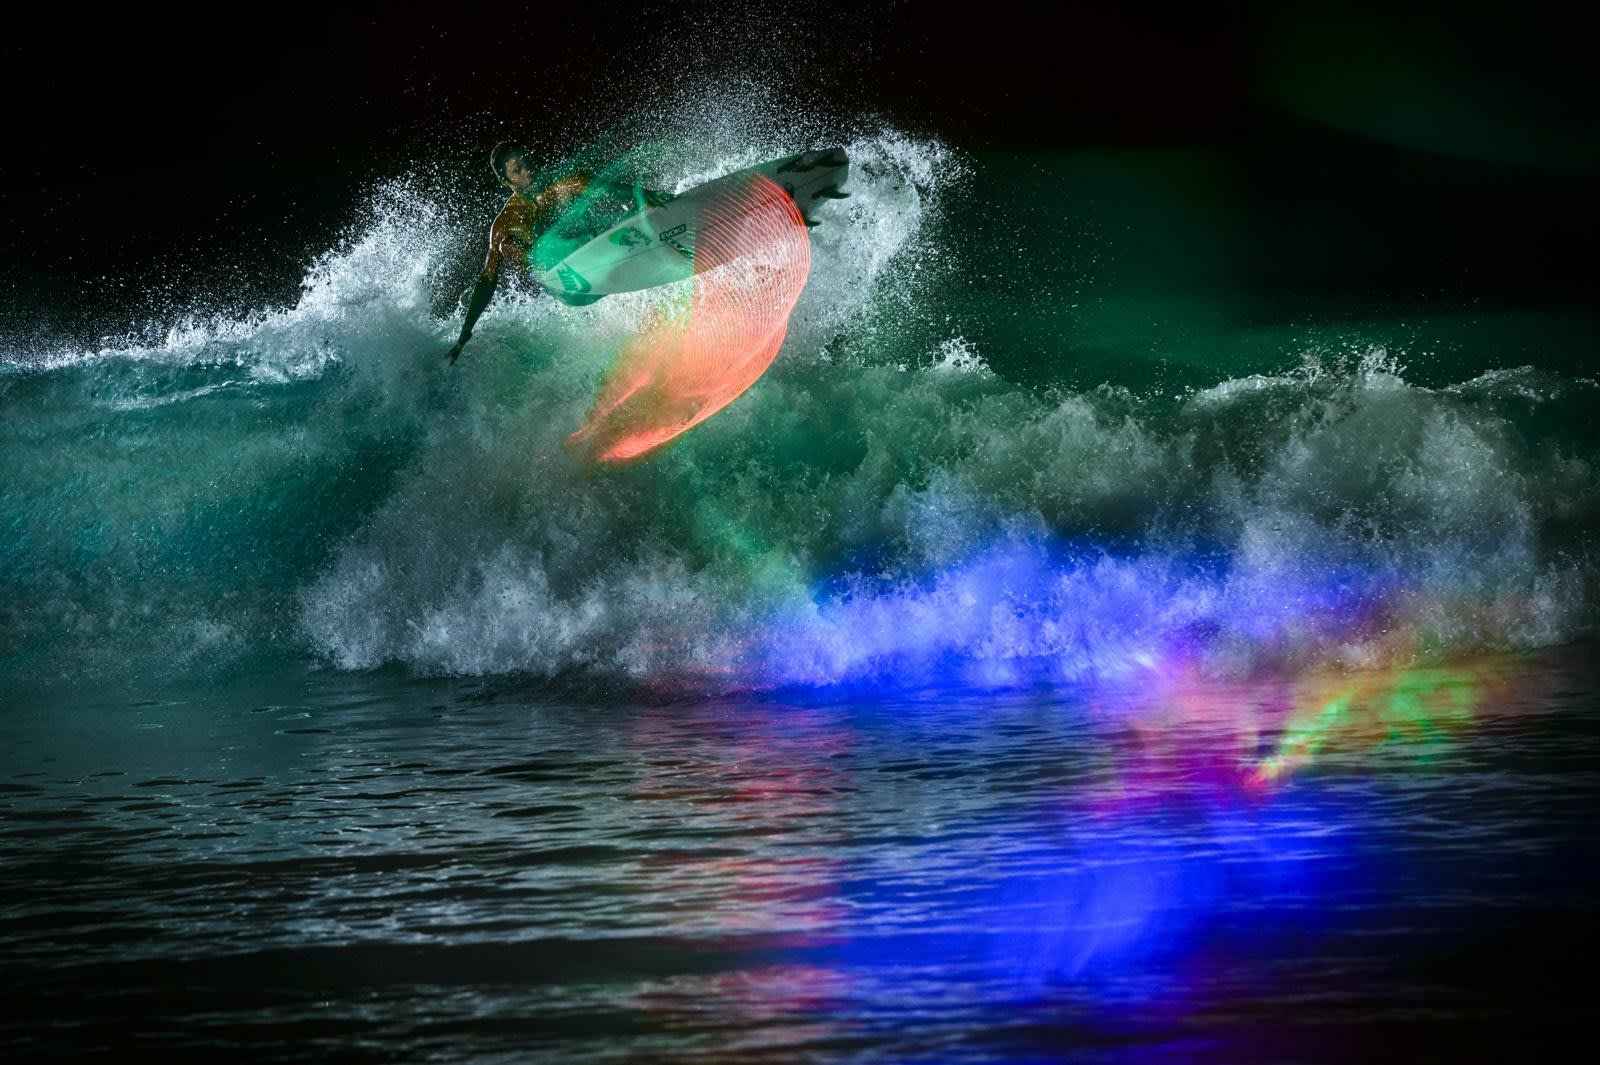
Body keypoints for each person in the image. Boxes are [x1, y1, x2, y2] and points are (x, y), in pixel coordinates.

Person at [444, 141, 666, 364]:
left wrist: (642, 195)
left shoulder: (561, 184)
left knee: (595, 194)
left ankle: (641, 236)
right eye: (517, 170)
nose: (528, 171)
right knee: (509, 245)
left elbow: (607, 188)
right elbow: (488, 278)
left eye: (527, 162)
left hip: (597, 259)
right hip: (568, 287)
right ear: (506, 182)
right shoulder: (506, 222)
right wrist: (466, 332)